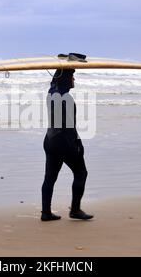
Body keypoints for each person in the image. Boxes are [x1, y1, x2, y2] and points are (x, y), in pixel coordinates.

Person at [41, 68, 94, 221]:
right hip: (64, 142)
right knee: (81, 173)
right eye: (72, 76)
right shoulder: (67, 98)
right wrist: (78, 144)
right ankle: (75, 210)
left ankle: (46, 212)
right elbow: (69, 126)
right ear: (65, 79)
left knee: (49, 178)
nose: (74, 80)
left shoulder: (51, 93)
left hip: (50, 140)